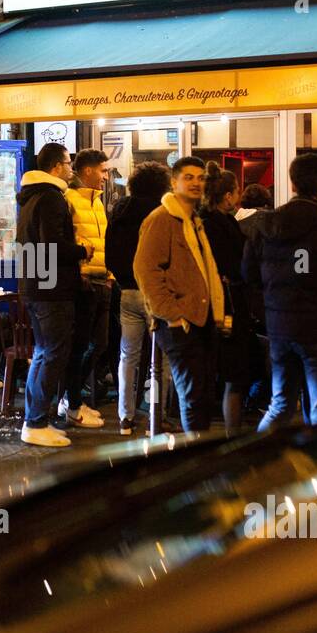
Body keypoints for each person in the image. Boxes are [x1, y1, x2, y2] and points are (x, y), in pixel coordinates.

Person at [244, 153, 317, 430]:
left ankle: (255, 461)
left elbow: (248, 273)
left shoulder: (267, 224)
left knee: (280, 403)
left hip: (280, 328)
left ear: (293, 183)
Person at [134, 156, 227, 433]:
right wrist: (172, 314)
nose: (196, 182)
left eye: (201, 178)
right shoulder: (162, 218)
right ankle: (194, 459)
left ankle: (198, 453)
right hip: (180, 321)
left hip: (201, 318)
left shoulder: (193, 220)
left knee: (201, 395)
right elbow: (146, 269)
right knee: (193, 397)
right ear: (174, 182)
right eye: (189, 177)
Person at [17, 143, 92, 447]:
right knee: (53, 354)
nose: (71, 168)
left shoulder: (32, 198)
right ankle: (35, 422)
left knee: (42, 353)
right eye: (68, 163)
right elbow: (53, 245)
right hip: (51, 289)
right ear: (57, 167)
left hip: (36, 286)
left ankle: (35, 419)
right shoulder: (50, 198)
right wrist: (82, 251)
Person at [106, 161, 173, 435]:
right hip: (156, 293)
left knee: (128, 355)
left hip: (127, 292)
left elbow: (111, 254)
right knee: (162, 359)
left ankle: (125, 417)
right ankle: (158, 416)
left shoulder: (119, 212)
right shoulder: (163, 212)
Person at [201, 164, 260, 436]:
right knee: (234, 376)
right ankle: (232, 434)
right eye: (236, 191)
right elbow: (234, 266)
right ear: (227, 196)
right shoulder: (221, 225)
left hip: (220, 306)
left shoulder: (205, 222)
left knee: (228, 375)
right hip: (228, 307)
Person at [61, 148, 113, 429]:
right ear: (88, 170)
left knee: (99, 344)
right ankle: (70, 403)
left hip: (102, 280)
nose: (106, 177)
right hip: (83, 282)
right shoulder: (68, 199)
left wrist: (110, 275)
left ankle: (72, 399)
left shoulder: (97, 202)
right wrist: (79, 274)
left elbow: (104, 240)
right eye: (103, 171)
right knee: (79, 345)